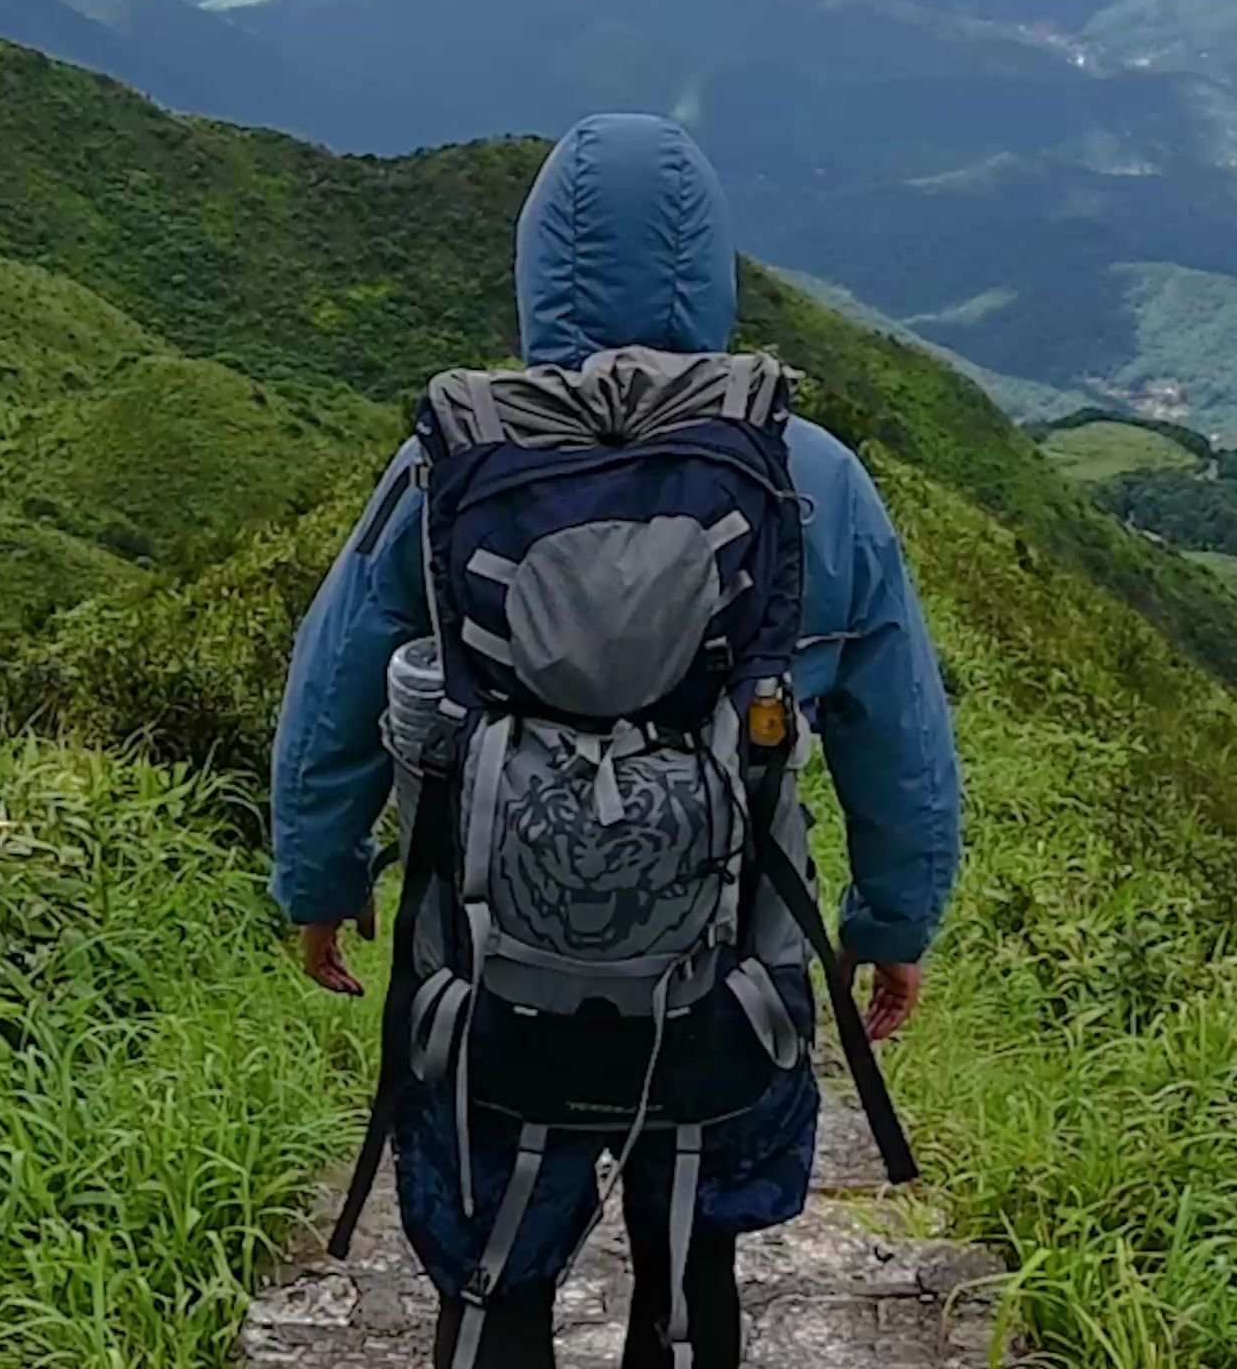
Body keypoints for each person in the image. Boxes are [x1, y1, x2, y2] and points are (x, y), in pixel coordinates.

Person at [270, 112, 963, 1368]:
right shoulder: (810, 476)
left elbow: (331, 691)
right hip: (726, 972)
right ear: (712, 271)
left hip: (485, 977)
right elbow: (897, 729)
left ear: (539, 272)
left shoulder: (454, 466)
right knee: (692, 1269)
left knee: (493, 1280)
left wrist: (320, 880)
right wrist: (889, 922)